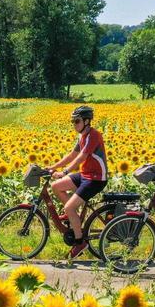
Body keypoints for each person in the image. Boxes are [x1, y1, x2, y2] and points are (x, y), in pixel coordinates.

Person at [47, 105, 107, 259]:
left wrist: (64, 172)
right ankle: (74, 217)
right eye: (72, 121)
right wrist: (53, 167)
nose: (74, 124)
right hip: (85, 175)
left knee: (69, 207)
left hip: (96, 179)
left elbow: (82, 157)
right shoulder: (82, 136)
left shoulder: (94, 135)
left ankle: (80, 243)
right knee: (56, 186)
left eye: (77, 121)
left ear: (87, 121)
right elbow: (72, 155)